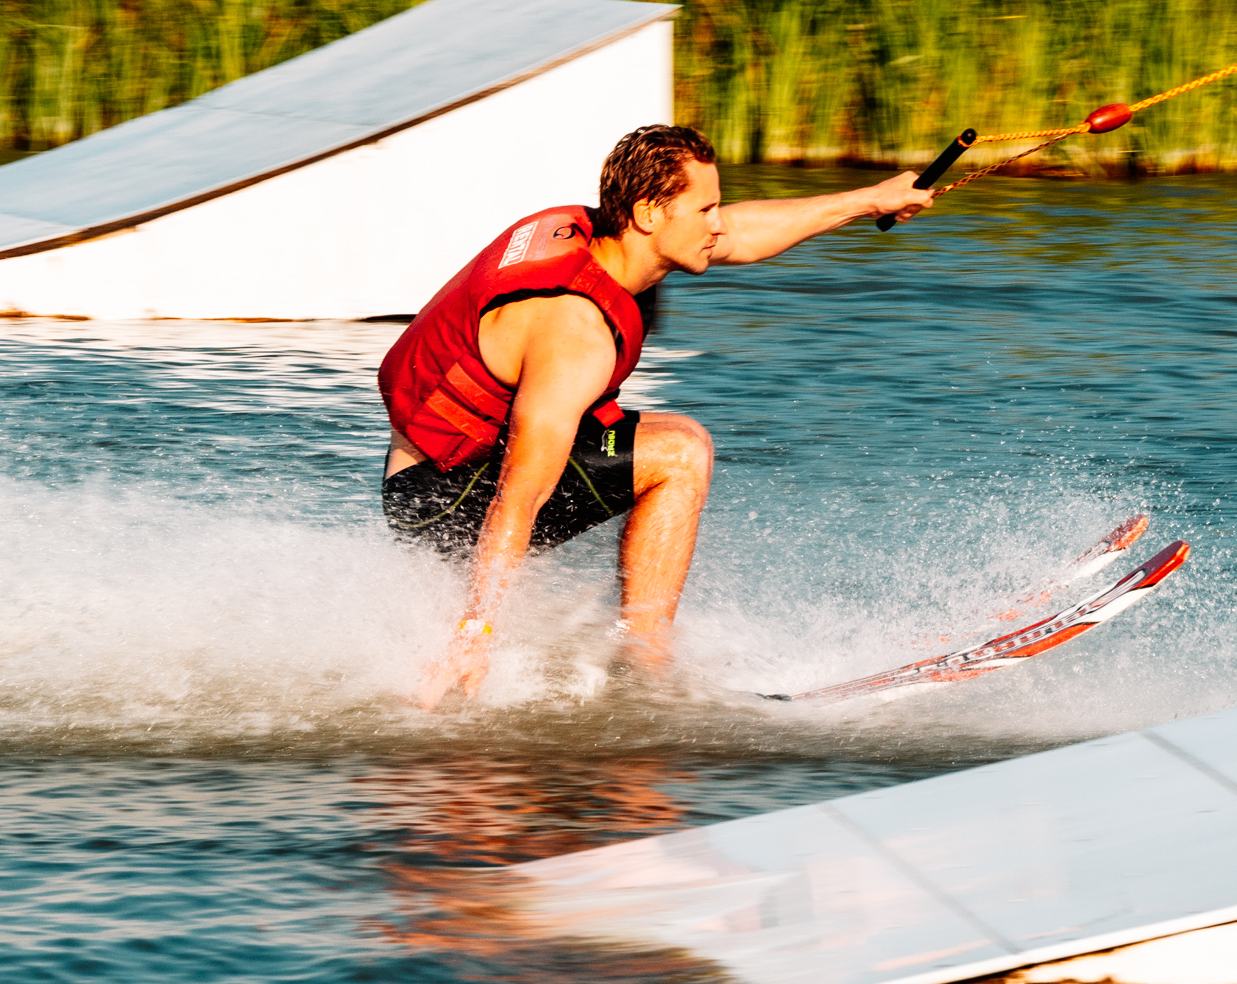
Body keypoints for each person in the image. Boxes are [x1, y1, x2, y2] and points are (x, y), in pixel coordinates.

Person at [378, 124, 934, 704]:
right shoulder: (574, 334)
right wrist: (475, 632)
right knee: (679, 452)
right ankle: (645, 672)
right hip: (440, 502)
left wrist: (870, 200)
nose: (718, 224)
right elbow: (519, 496)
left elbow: (742, 234)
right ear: (648, 213)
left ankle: (627, 644)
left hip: (453, 466)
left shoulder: (603, 236)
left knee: (676, 437)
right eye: (705, 209)